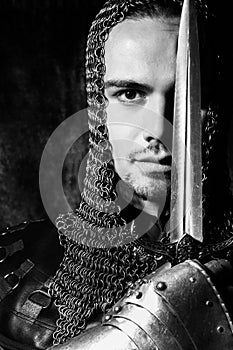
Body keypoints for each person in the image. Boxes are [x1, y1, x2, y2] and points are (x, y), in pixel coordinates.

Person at [1, 0, 233, 349]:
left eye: (188, 98)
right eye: (130, 94)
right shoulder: (13, 279)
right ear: (99, 109)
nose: (159, 128)